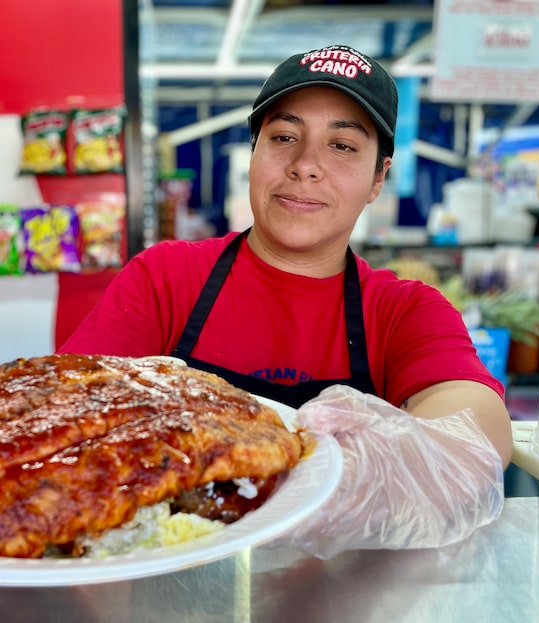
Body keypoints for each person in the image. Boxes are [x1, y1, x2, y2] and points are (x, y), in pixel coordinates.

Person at [59, 44, 511, 557]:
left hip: (341, 586)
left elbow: (479, 428)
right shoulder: (166, 276)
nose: (305, 165)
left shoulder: (405, 308)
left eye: (342, 146)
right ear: (254, 154)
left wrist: (367, 471)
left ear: (378, 178)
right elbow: (72, 404)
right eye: (284, 137)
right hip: (169, 570)